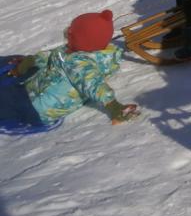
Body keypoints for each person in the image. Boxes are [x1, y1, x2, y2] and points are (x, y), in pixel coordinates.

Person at [0, 10, 139, 131]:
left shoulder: (80, 65)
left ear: (86, 39)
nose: (68, 32)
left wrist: (114, 107)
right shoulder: (76, 50)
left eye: (73, 32)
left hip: (38, 108)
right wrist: (31, 61)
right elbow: (53, 56)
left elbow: (94, 85)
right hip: (35, 92)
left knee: (5, 102)